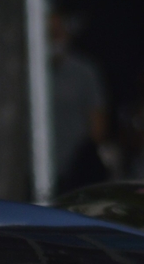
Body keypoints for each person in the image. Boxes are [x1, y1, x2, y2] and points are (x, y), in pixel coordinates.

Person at [45, 11, 107, 189]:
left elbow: (98, 127)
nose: (54, 39)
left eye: (57, 33)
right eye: (48, 34)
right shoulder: (29, 75)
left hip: (74, 173)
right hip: (36, 169)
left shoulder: (84, 72)